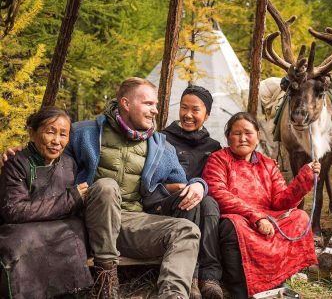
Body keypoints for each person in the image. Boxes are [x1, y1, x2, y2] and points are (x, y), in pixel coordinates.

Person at [66, 77, 205, 299]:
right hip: (88, 222)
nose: (155, 111)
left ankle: (173, 295)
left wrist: (199, 185)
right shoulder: (84, 132)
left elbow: (183, 181)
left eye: (156, 105)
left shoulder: (161, 147)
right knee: (106, 186)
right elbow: (46, 153)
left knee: (187, 231)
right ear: (126, 103)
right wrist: (16, 156)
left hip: (131, 222)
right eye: (148, 104)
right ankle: (107, 279)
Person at [202, 112, 320, 298]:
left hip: (268, 217)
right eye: (236, 133)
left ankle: (277, 280)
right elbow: (218, 193)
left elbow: (280, 200)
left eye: (248, 133)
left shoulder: (267, 164)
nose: (242, 138)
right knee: (234, 226)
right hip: (238, 218)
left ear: (258, 136)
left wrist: (305, 178)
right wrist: (256, 217)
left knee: (300, 217)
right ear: (227, 137)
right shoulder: (218, 159)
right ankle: (241, 289)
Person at [0, 107, 93, 298]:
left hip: (59, 226)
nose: (56, 141)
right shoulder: (16, 162)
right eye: (50, 132)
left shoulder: (70, 164)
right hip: (22, 227)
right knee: (20, 242)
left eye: (63, 134)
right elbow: (14, 210)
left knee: (74, 232)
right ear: (32, 132)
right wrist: (69, 199)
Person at [158, 85, 223, 298]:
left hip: (203, 207)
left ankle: (210, 276)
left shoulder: (213, 146)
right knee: (192, 199)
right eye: (184, 108)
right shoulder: (162, 139)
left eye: (195, 110)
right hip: (168, 205)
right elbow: (150, 179)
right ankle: (191, 276)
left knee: (209, 202)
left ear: (207, 114)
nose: (188, 115)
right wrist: (168, 187)